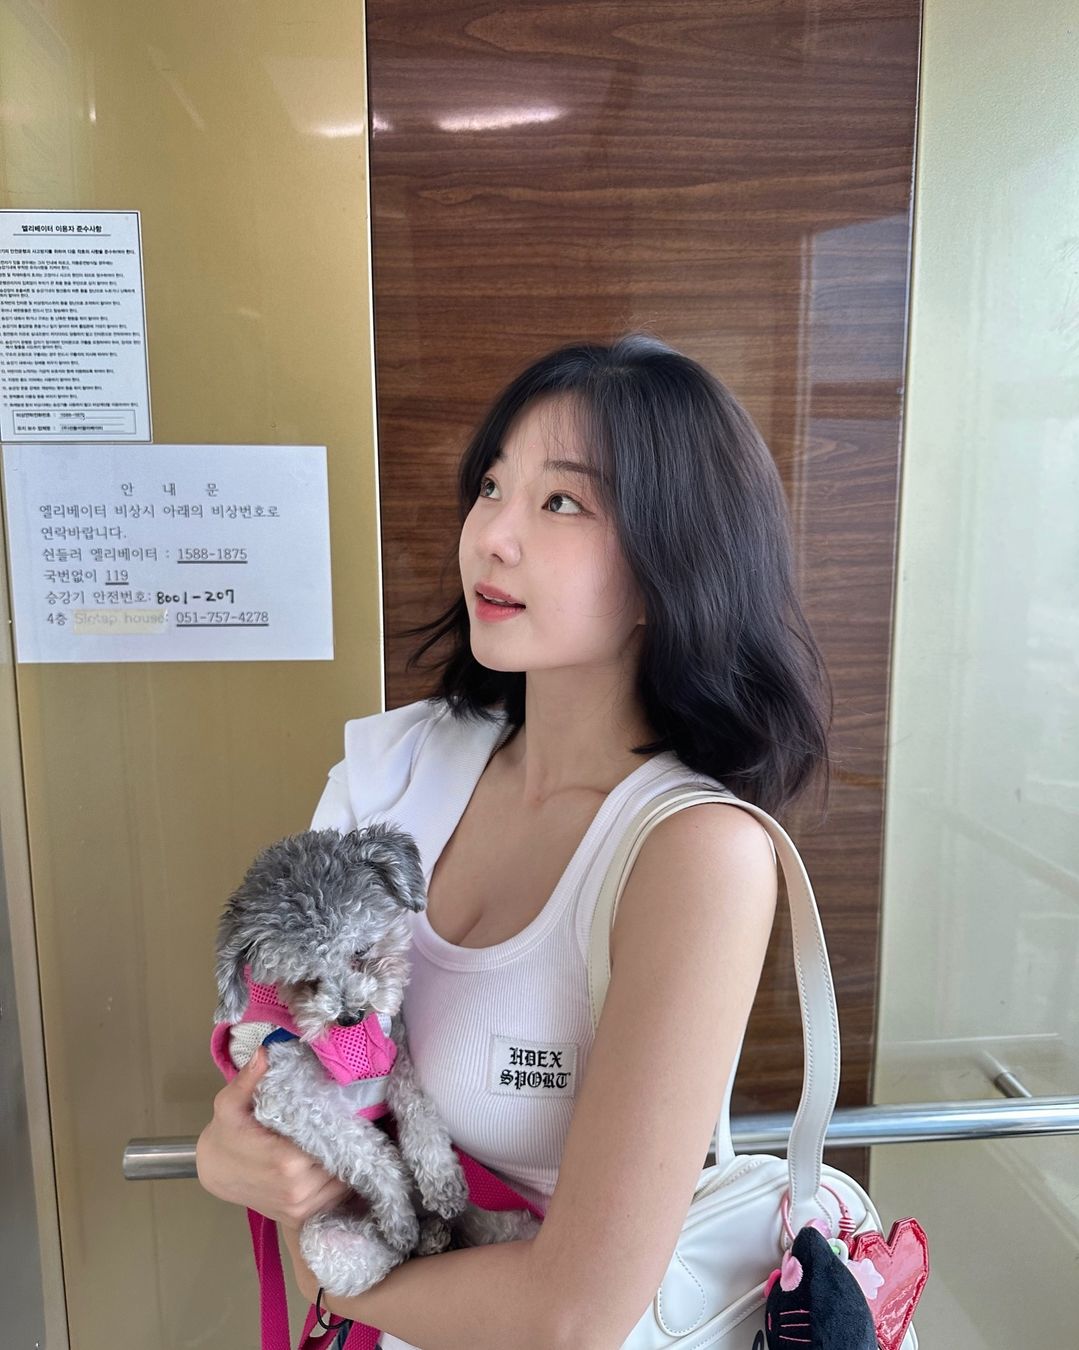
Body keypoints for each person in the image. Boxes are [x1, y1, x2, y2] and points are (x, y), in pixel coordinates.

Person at [196, 334, 831, 1349]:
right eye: (492, 486)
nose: (492, 534)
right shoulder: (391, 772)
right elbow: (277, 1050)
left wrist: (332, 1283)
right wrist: (229, 1153)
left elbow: (571, 1315)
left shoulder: (695, 855)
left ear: (673, 561)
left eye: (562, 502)